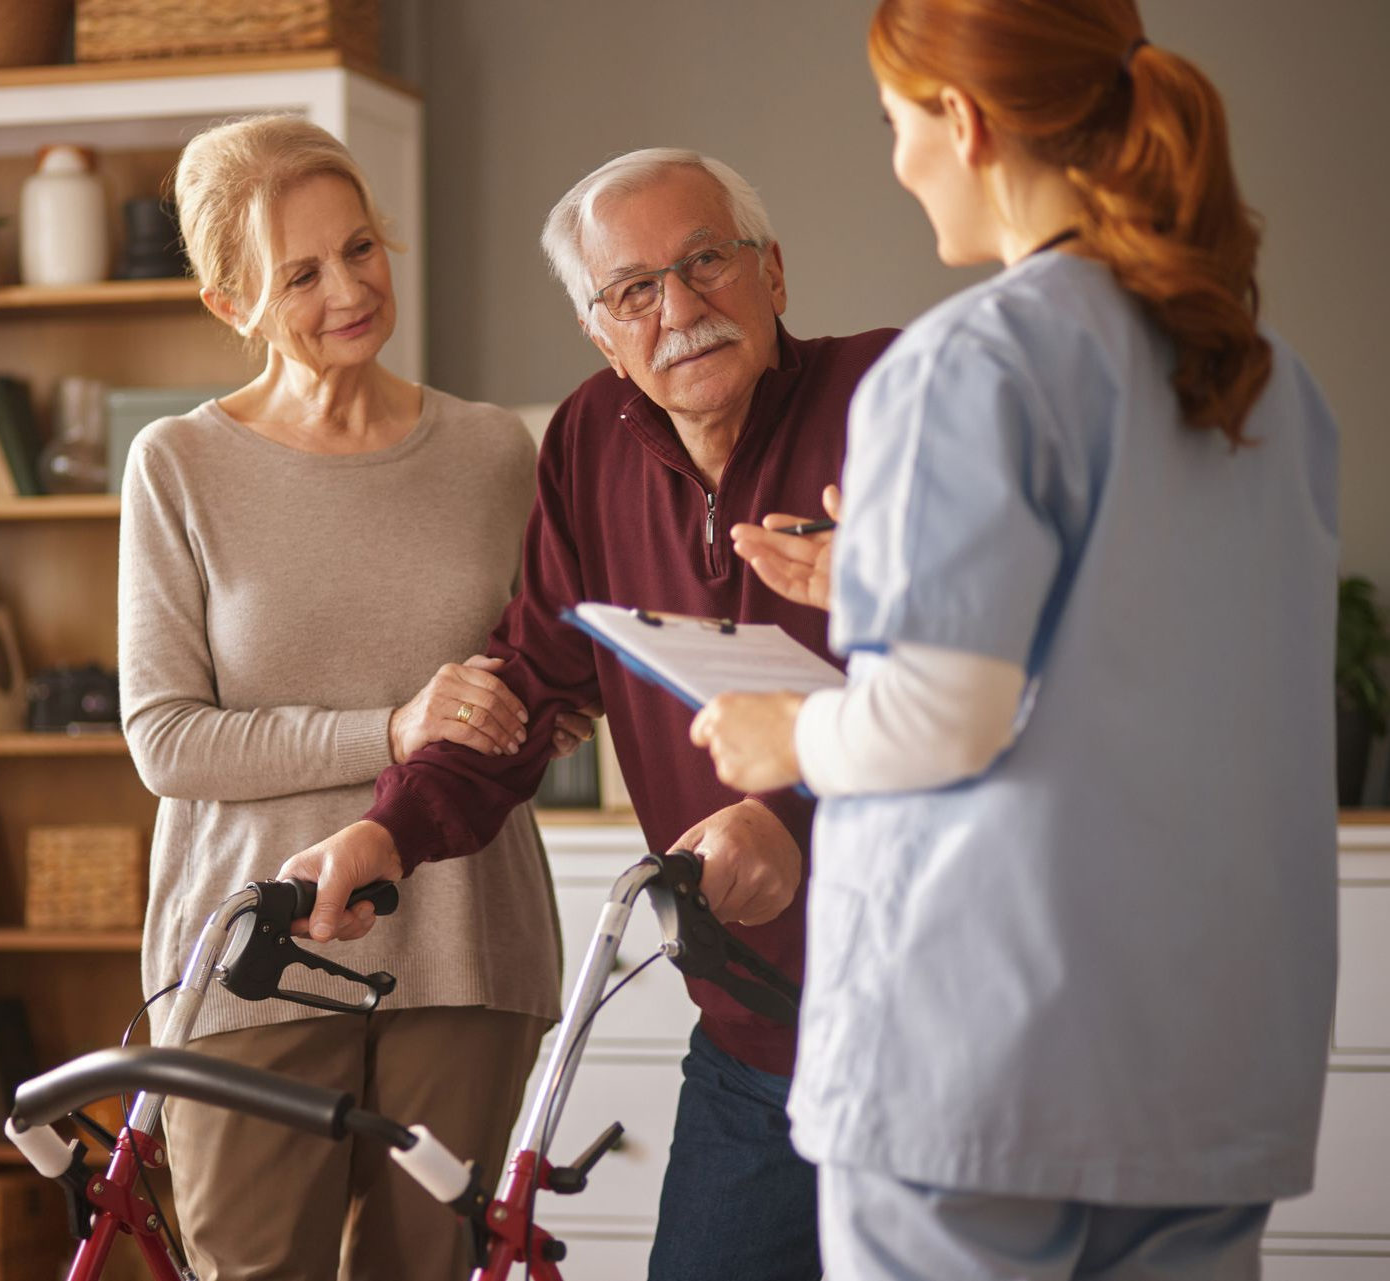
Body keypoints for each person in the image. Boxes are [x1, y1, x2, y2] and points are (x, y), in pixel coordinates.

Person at [690, 3, 1339, 1277]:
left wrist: (784, 731)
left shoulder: (969, 364)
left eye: (896, 123)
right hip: (1206, 1076)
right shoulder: (1265, 376)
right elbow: (1148, 653)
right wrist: (877, 579)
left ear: (964, 120)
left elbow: (943, 717)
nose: (896, 159)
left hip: (985, 1084)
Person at [280, 147, 898, 1280]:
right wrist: (389, 830)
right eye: (634, 291)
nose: (681, 309)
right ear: (602, 333)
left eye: (707, 262)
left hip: (937, 1036)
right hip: (753, 1042)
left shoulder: (894, 401)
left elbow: (990, 682)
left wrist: (797, 822)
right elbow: (528, 681)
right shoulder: (588, 440)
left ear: (773, 273)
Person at [118, 114, 591, 1281]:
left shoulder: (491, 451)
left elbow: (539, 673)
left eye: (362, 248)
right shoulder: (179, 465)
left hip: (466, 943)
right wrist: (387, 730)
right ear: (232, 302)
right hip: (251, 952)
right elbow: (166, 741)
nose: (350, 289)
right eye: (301, 272)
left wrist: (545, 710)